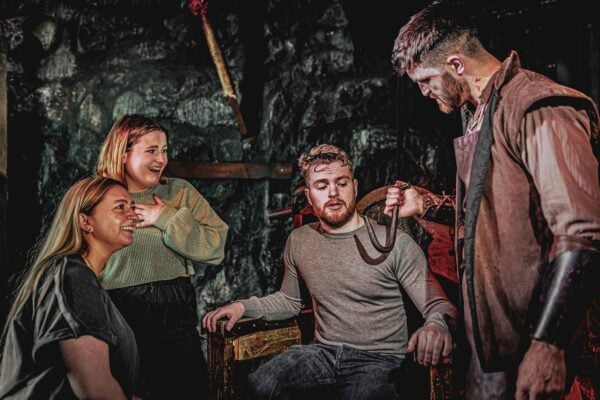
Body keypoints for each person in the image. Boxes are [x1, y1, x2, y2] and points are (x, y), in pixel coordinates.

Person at [388, 1, 600, 399]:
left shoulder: (537, 105)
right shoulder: (480, 113)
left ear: (457, 64)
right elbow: (493, 214)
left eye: (427, 79)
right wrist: (427, 205)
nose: (423, 91)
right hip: (489, 337)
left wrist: (548, 344)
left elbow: (582, 231)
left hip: (530, 334)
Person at [203, 143, 458, 400]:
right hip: (322, 353)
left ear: (355, 187)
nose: (333, 192)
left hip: (379, 360)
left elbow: (439, 305)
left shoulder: (394, 242)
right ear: (309, 196)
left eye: (342, 183)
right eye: (322, 186)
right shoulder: (300, 240)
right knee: (260, 385)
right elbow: (289, 301)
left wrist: (437, 324)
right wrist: (243, 307)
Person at [95, 114, 229, 399]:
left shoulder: (179, 192)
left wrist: (165, 216)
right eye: (152, 150)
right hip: (117, 308)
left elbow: (216, 245)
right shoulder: (97, 196)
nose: (161, 159)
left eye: (165, 150)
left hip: (174, 306)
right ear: (123, 153)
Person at [0, 176, 139, 399]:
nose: (133, 214)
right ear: (86, 222)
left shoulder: (80, 279)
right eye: (120, 207)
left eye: (132, 206)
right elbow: (96, 390)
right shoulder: (73, 277)